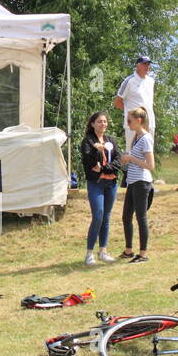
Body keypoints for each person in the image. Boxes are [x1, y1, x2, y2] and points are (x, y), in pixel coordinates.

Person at [79, 111, 120, 265]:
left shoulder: (112, 141)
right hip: (96, 183)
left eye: (104, 121)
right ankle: (89, 254)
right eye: (99, 122)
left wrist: (103, 168)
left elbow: (118, 160)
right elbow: (88, 163)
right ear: (92, 124)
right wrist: (97, 150)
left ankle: (103, 251)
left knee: (106, 217)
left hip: (111, 183)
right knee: (98, 216)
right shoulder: (88, 141)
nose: (103, 124)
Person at [118, 107, 155, 263]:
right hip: (133, 181)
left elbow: (150, 165)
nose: (128, 124)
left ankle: (143, 253)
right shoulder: (137, 137)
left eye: (130, 121)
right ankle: (129, 250)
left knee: (141, 217)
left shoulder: (146, 138)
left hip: (142, 181)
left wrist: (131, 159)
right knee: (126, 216)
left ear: (139, 120)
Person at [114, 56, 155, 151]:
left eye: (148, 64)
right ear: (137, 65)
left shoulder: (151, 81)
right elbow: (117, 102)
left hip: (149, 123)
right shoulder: (129, 81)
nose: (147, 66)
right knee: (132, 152)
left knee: (148, 151)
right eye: (144, 64)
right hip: (133, 124)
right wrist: (131, 115)